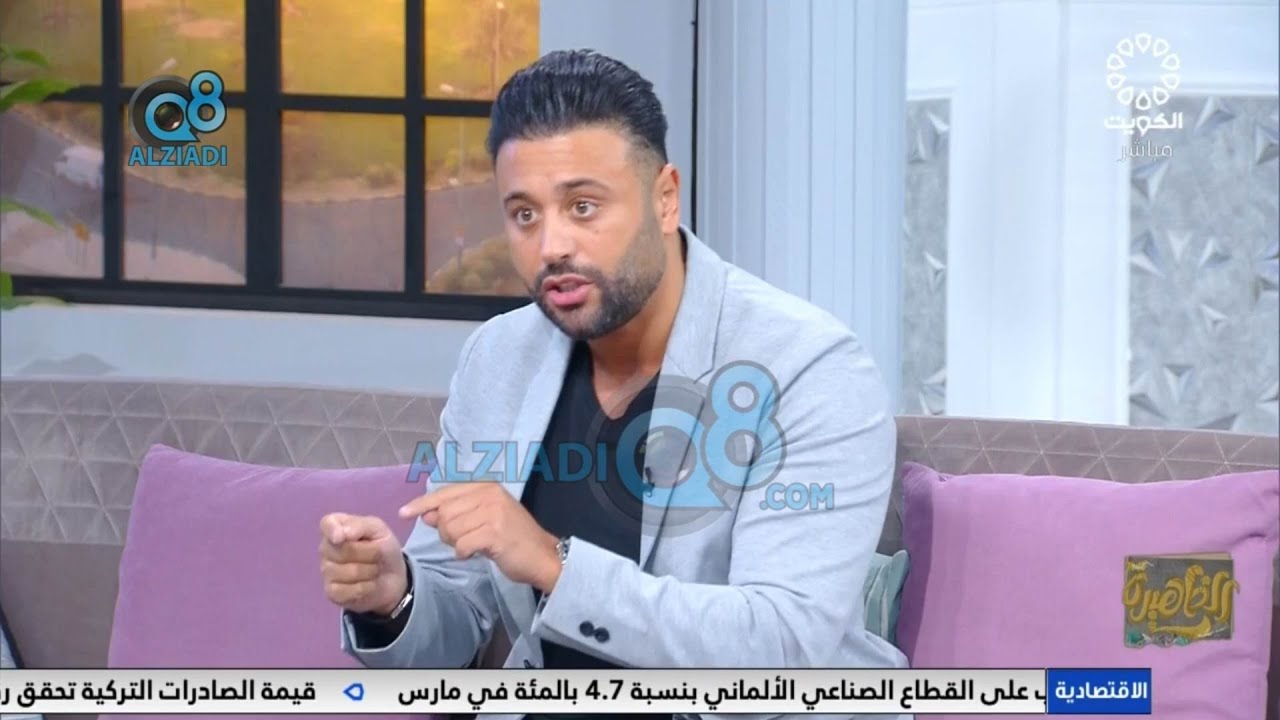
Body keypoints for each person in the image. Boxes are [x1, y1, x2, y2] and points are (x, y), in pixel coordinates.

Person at [318, 49, 908, 720]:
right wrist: (395, 596)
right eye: (524, 215)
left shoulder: (809, 366)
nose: (551, 247)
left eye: (583, 206)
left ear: (664, 198)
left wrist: (553, 564)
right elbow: (454, 628)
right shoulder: (499, 358)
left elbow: (780, 647)